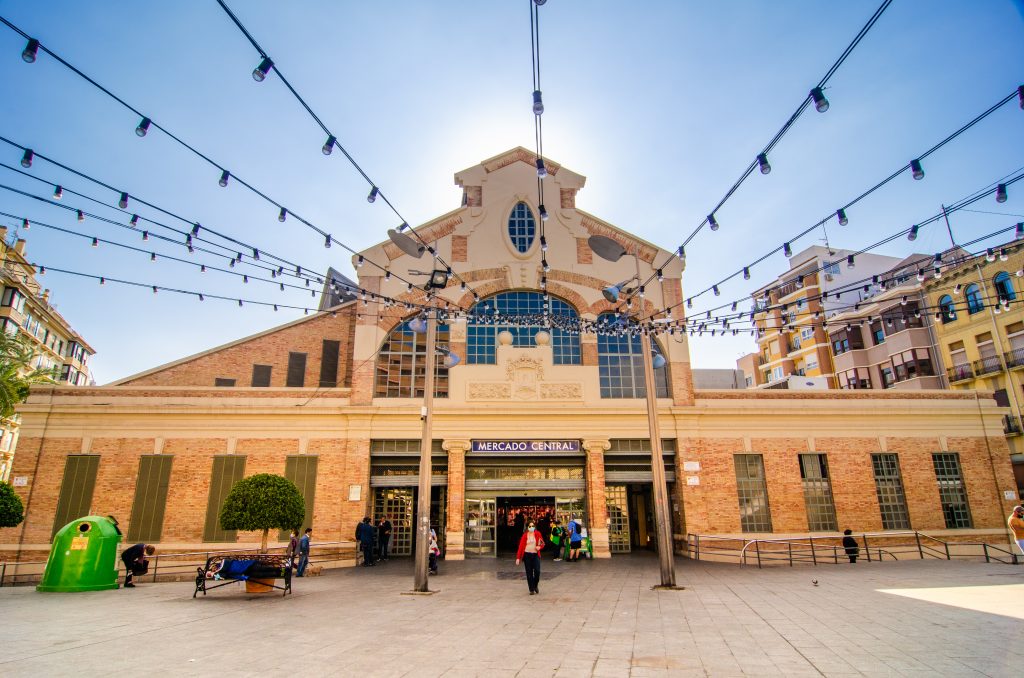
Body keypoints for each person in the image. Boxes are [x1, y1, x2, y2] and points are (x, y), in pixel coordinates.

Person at [515, 519, 545, 595]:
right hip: (527, 555)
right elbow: (521, 547)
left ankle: (535, 585)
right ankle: (531, 589)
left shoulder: (538, 534)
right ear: (527, 527)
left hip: (535, 555)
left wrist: (539, 547)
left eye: (533, 526)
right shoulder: (525, 535)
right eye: (530, 526)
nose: (531, 527)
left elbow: (542, 543)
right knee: (529, 573)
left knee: (537, 571)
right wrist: (518, 558)